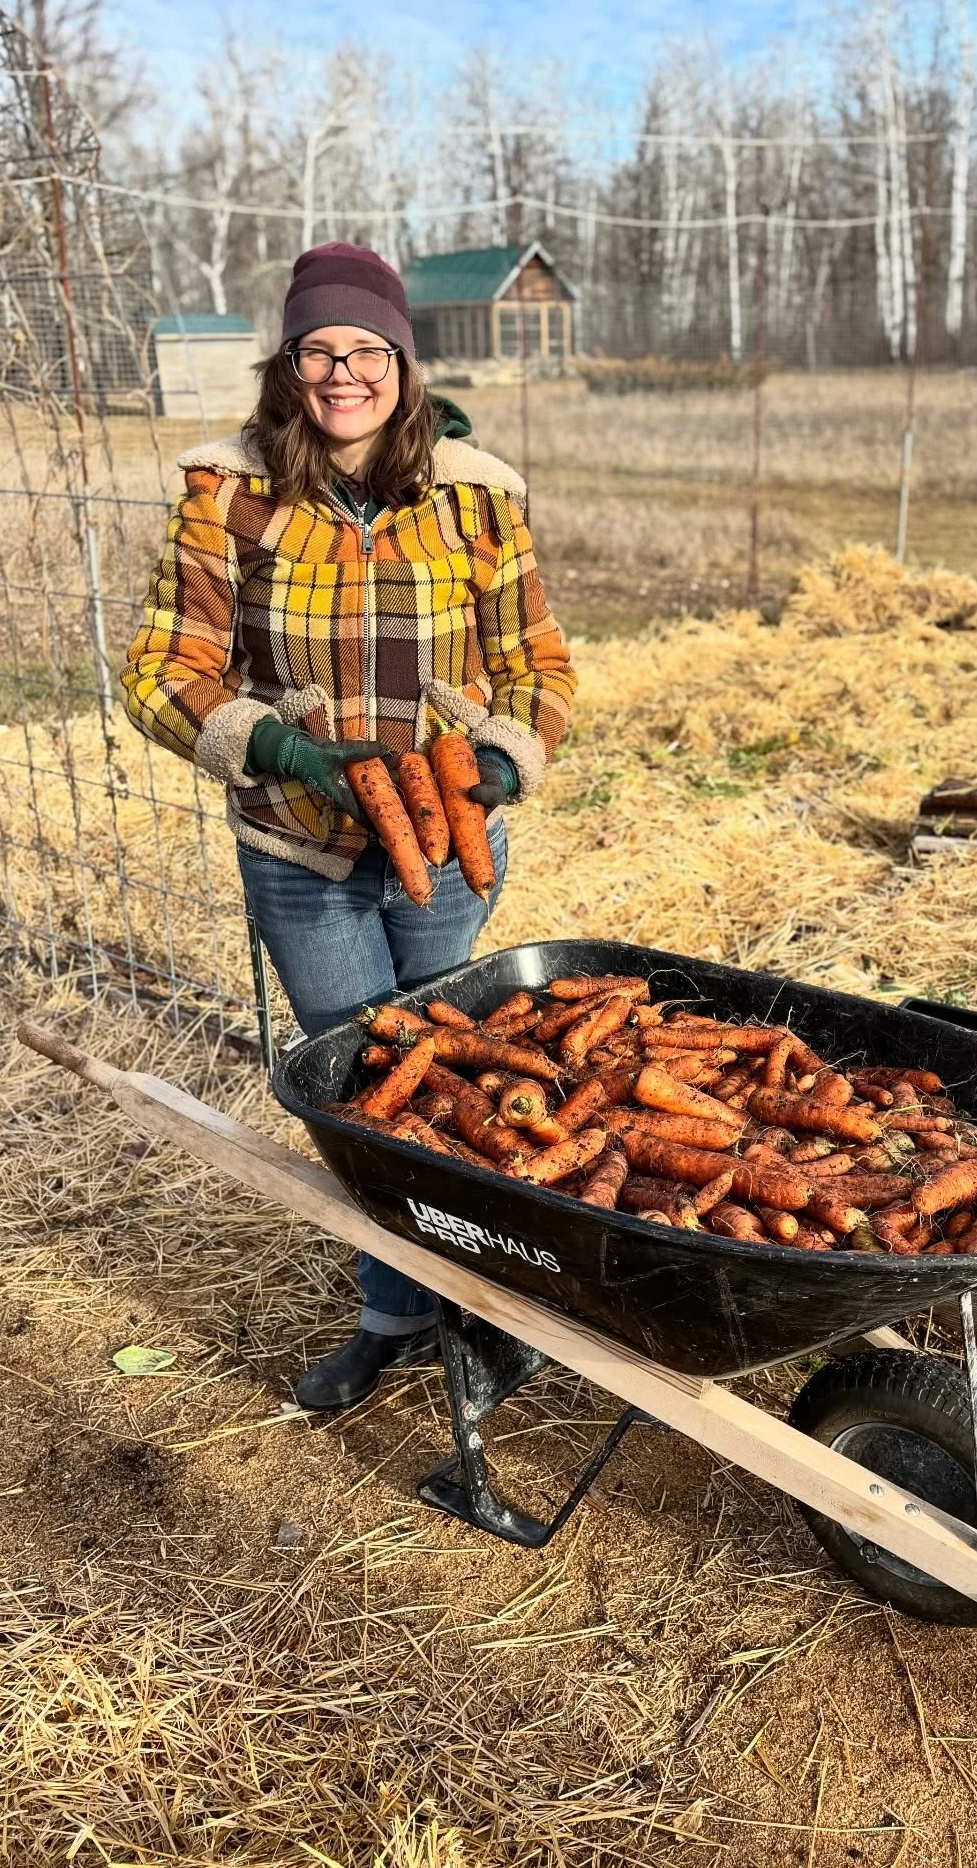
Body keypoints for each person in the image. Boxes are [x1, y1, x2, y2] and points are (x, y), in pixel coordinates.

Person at [122, 242, 576, 1411]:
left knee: (460, 1089)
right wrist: (266, 742)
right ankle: (391, 1315)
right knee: (366, 1090)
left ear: (403, 363)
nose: (342, 374)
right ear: (289, 363)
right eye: (318, 349)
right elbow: (164, 666)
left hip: (453, 845)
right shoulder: (229, 495)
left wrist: (503, 759)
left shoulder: (477, 493)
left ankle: (479, 1315)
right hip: (302, 852)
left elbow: (538, 661)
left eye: (365, 349)